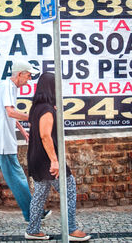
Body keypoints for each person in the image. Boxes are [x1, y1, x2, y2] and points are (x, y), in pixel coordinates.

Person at [0, 60, 50, 225]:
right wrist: (34, 116)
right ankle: (33, 214)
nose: (28, 80)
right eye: (28, 76)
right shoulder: (9, 87)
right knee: (17, 177)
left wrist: (22, 130)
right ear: (19, 74)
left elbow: (8, 113)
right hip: (2, 141)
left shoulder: (7, 86)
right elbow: (11, 112)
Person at [25, 72, 91, 241]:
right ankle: (71, 229)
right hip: (47, 159)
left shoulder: (37, 108)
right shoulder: (46, 110)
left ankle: (32, 229)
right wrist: (55, 161)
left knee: (40, 193)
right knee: (69, 186)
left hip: (36, 157)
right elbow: (45, 136)